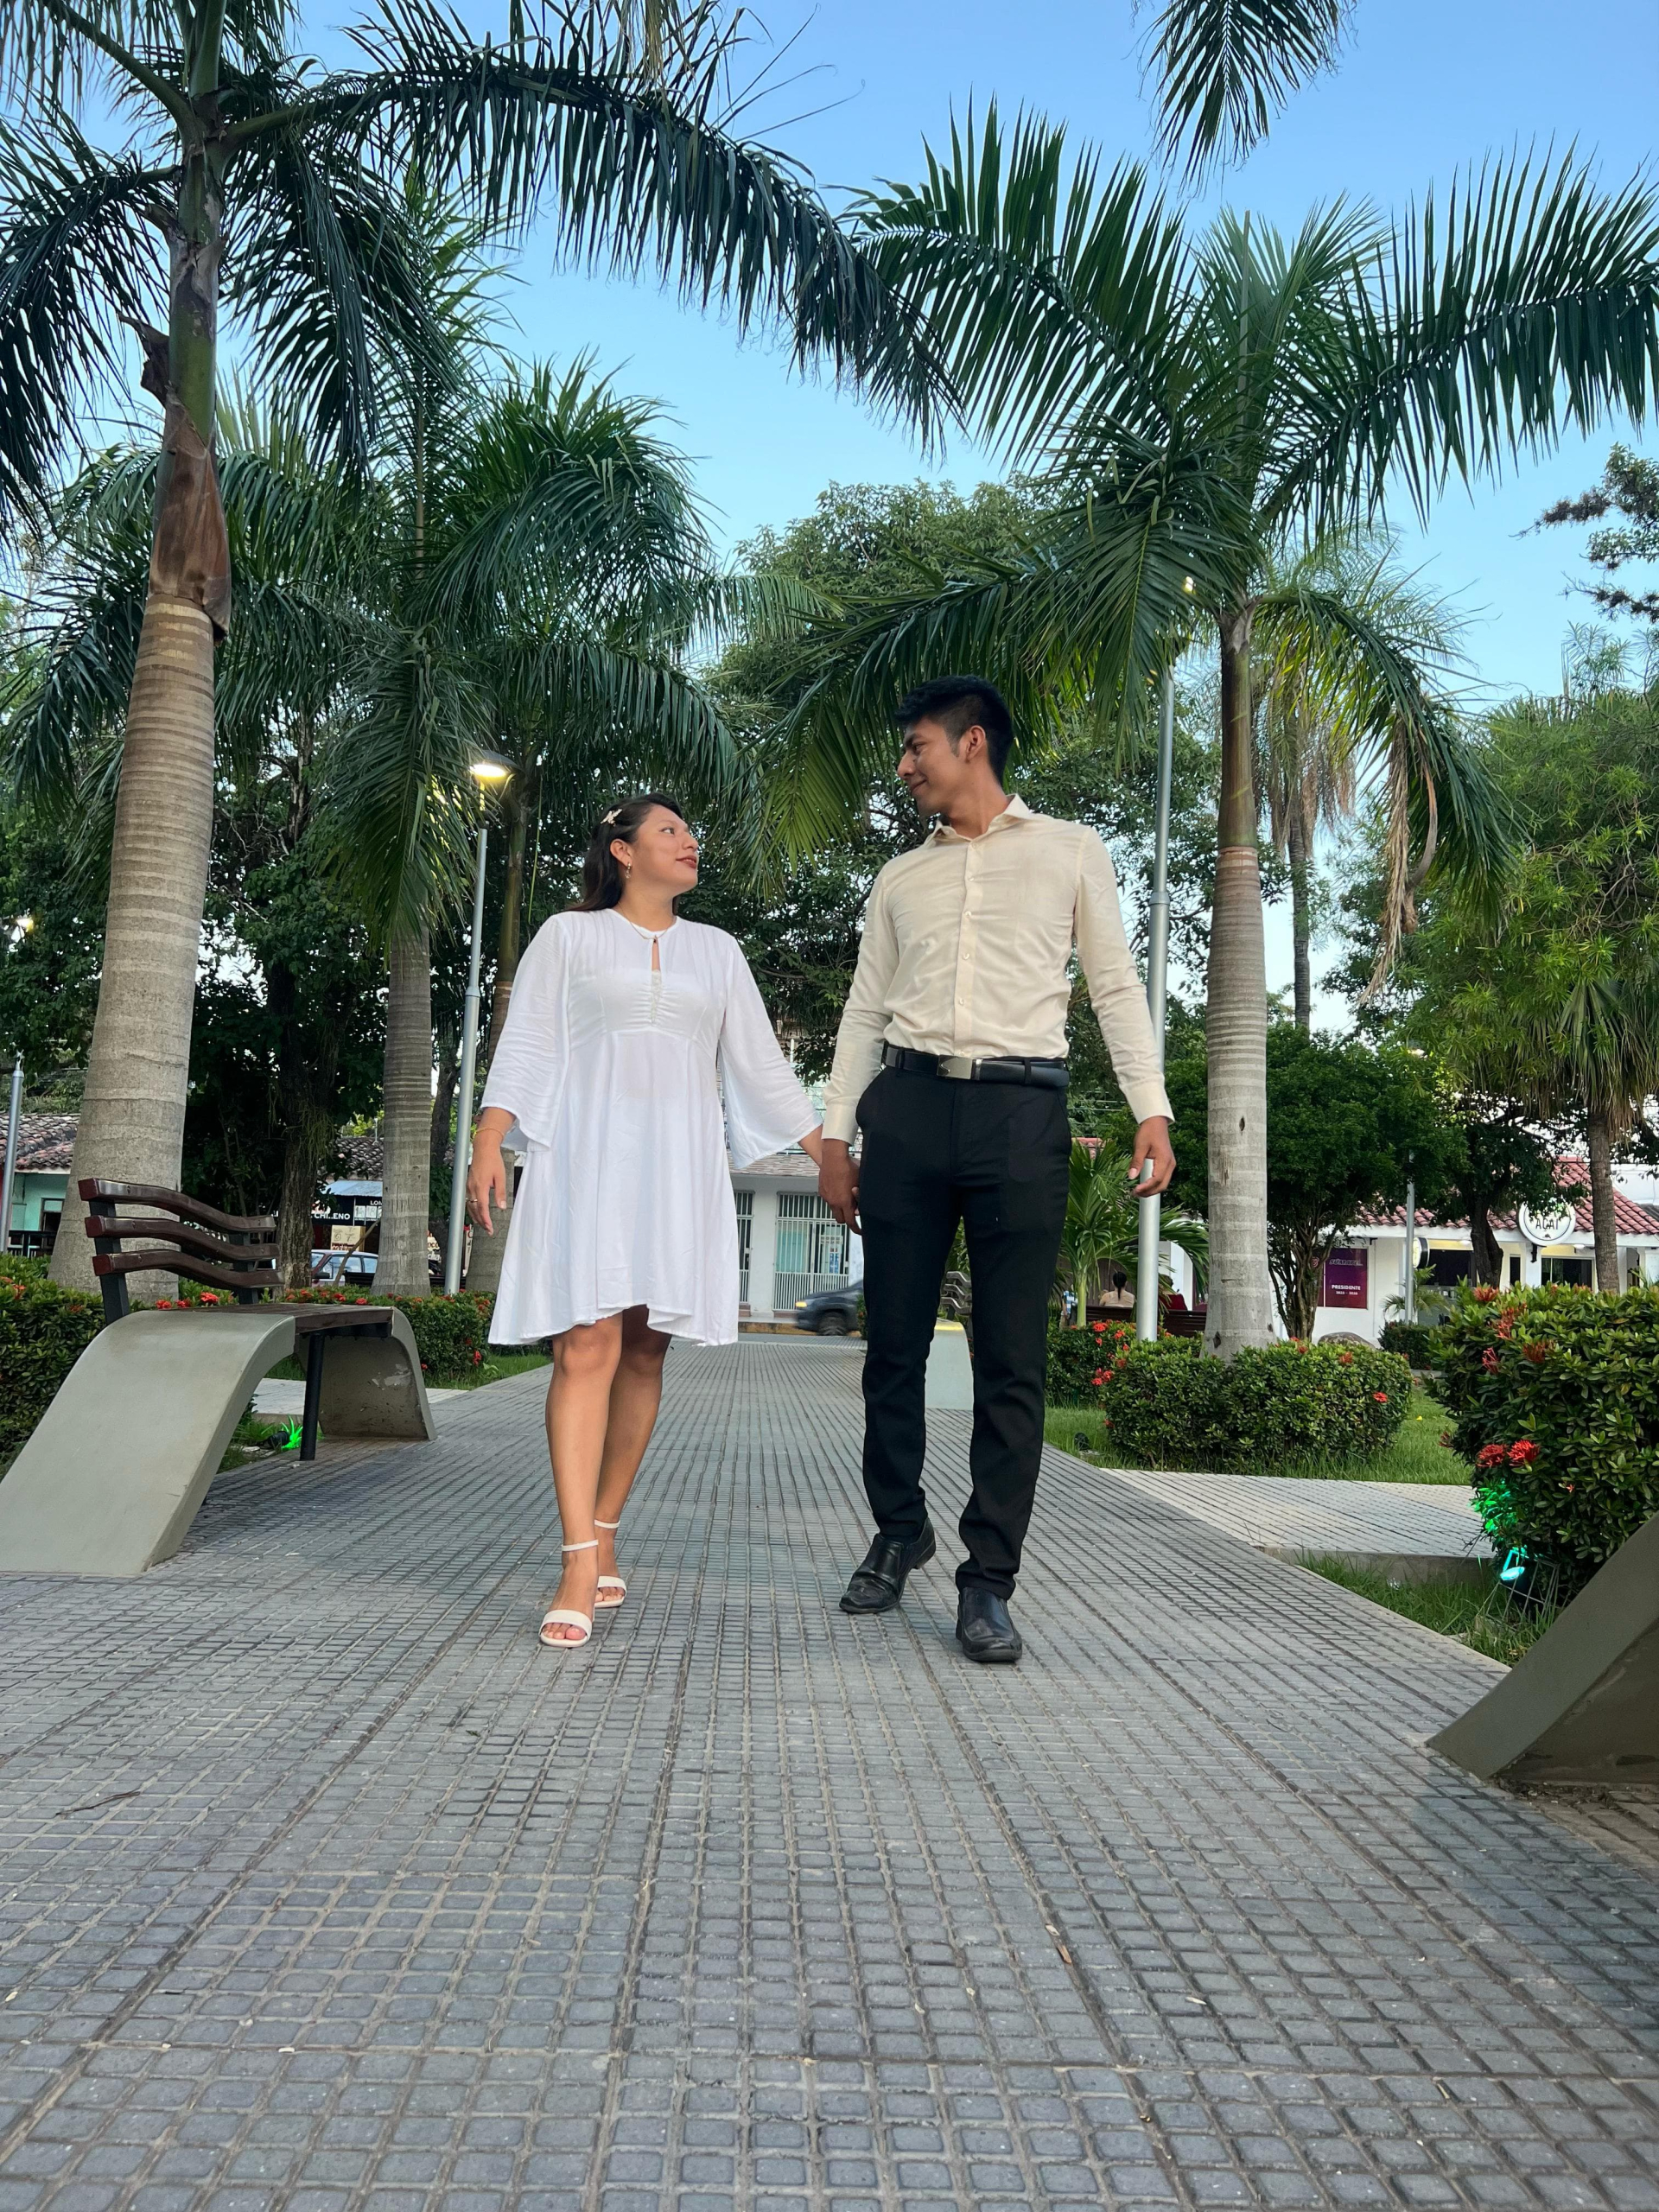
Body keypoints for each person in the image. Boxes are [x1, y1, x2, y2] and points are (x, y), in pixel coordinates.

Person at [819, 677, 1173, 1664]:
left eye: (918, 747)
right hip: (908, 1107)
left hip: (1021, 1114)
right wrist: (836, 1138)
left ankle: (988, 1582)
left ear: (972, 743)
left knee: (1010, 1359)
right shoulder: (900, 877)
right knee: (891, 1346)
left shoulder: (1071, 850)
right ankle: (900, 1529)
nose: (905, 765)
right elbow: (863, 1008)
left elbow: (1114, 984)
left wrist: (1151, 1107)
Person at [467, 795, 823, 1649]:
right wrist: (489, 1138)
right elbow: (528, 1043)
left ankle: (607, 1524)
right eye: (670, 831)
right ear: (623, 851)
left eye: (691, 833)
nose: (689, 842)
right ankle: (577, 1560)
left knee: (644, 1348)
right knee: (584, 1345)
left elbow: (761, 1065)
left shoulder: (717, 950)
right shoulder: (569, 936)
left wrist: (829, 1154)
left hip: (677, 1165)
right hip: (587, 1156)